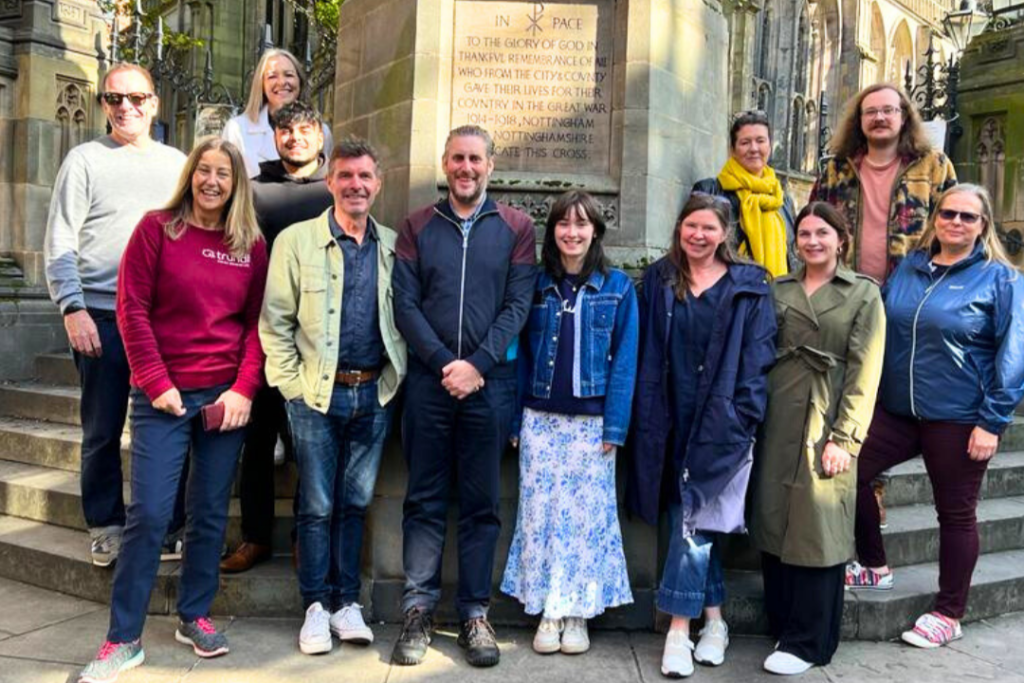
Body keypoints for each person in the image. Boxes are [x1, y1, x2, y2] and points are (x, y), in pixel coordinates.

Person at [77, 138, 268, 683]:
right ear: (191, 175)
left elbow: (257, 326)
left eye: (223, 174)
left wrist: (244, 390)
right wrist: (156, 382)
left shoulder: (249, 244)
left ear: (236, 184)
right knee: (153, 515)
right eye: (204, 171)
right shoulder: (157, 229)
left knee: (208, 514)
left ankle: (194, 614)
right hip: (163, 397)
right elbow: (130, 310)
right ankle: (123, 638)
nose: (212, 181)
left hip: (224, 399)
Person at [845, 184, 1024, 649]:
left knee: (956, 514)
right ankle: (874, 564)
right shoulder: (909, 267)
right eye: (948, 213)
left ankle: (949, 612)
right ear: (935, 218)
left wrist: (993, 421)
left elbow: (1014, 356)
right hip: (898, 410)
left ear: (983, 225)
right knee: (850, 470)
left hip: (960, 417)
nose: (956, 223)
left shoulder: (1001, 279)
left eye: (968, 217)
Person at [391, 125, 536, 668]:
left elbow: (518, 306)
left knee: (482, 506)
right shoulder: (417, 226)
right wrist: (444, 365)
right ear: (445, 164)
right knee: (424, 500)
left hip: (489, 386)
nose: (466, 168)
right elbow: (405, 305)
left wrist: (476, 365)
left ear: (490, 166)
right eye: (457, 158)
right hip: (429, 385)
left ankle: (475, 613)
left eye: (475, 159)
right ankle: (418, 609)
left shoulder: (516, 228)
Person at [260, 137, 407, 654]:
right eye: (346, 176)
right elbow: (274, 323)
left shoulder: (391, 244)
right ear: (330, 182)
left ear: (378, 183)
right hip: (315, 397)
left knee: (355, 502)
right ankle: (316, 607)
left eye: (365, 176)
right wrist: (292, 388)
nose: (356, 185)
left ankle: (348, 603)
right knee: (318, 506)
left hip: (373, 394)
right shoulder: (296, 242)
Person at [43, 63, 187, 568]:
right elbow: (60, 239)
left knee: (169, 423)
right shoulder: (84, 160)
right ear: (103, 104)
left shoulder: (178, 164)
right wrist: (72, 307)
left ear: (154, 103)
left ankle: (170, 525)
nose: (126, 107)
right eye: (114, 98)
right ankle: (105, 524)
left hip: (162, 320)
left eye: (136, 97)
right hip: (100, 315)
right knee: (102, 428)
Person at [627, 193, 777, 678]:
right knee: (690, 519)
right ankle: (714, 620)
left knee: (694, 525)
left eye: (709, 228)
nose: (698, 235)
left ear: (724, 233)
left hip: (723, 424)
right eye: (691, 225)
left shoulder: (749, 286)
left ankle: (677, 628)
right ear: (679, 228)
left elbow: (758, 359)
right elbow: (646, 346)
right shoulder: (659, 279)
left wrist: (743, 416)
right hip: (668, 421)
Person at [749, 202, 886, 675]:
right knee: (772, 521)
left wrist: (845, 439)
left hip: (825, 416)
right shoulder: (778, 287)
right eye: (804, 233)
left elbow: (865, 373)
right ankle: (782, 624)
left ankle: (810, 642)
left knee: (818, 528)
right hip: (777, 414)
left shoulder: (862, 294)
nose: (811, 241)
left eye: (822, 233)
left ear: (841, 240)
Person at [811, 83, 957, 526]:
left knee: (883, 390)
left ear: (904, 117)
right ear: (859, 119)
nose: (880, 118)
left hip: (905, 296)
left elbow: (953, 225)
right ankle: (854, 488)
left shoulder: (933, 165)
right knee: (844, 383)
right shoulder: (836, 168)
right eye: (870, 111)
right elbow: (814, 222)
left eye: (889, 111)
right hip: (847, 292)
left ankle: (871, 488)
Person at [500, 191, 639, 655]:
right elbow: (518, 355)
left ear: (595, 231)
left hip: (592, 425)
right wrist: (517, 417)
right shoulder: (538, 286)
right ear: (552, 231)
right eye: (564, 224)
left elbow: (626, 364)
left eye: (582, 224)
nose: (572, 232)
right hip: (539, 419)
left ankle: (577, 612)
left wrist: (614, 428)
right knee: (540, 516)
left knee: (585, 521)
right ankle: (548, 609)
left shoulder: (618, 287)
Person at [221, 100, 334, 574]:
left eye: (305, 129)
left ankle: (306, 538)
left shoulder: (336, 188)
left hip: (319, 337)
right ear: (274, 137)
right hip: (263, 333)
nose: (295, 137)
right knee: (258, 437)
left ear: (319, 136)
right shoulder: (254, 189)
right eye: (285, 130)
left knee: (311, 443)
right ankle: (255, 536)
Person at [692, 110, 797, 276]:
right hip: (727, 294)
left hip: (776, 296)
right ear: (733, 149)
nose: (754, 148)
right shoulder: (710, 191)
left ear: (769, 146)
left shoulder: (783, 200)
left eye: (760, 141)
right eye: (745, 142)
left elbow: (793, 256)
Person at [222, 48, 334, 178]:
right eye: (272, 76)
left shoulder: (322, 131)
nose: (281, 82)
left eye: (289, 75)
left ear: (300, 81)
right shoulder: (236, 129)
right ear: (261, 85)